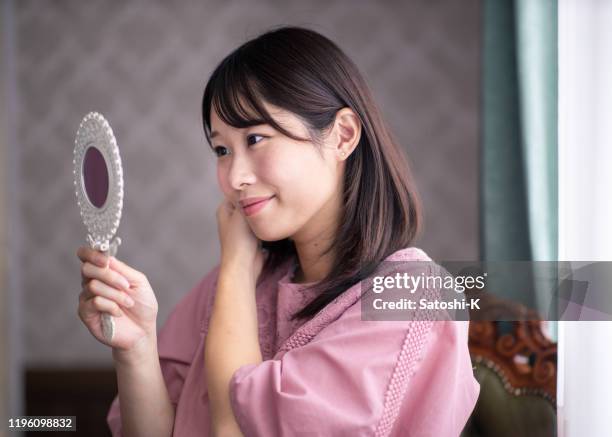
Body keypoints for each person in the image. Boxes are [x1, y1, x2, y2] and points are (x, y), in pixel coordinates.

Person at [76, 26, 479, 437]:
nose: (235, 176)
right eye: (221, 150)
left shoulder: (413, 294)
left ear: (343, 135)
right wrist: (136, 347)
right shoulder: (227, 288)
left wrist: (234, 264)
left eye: (255, 138)